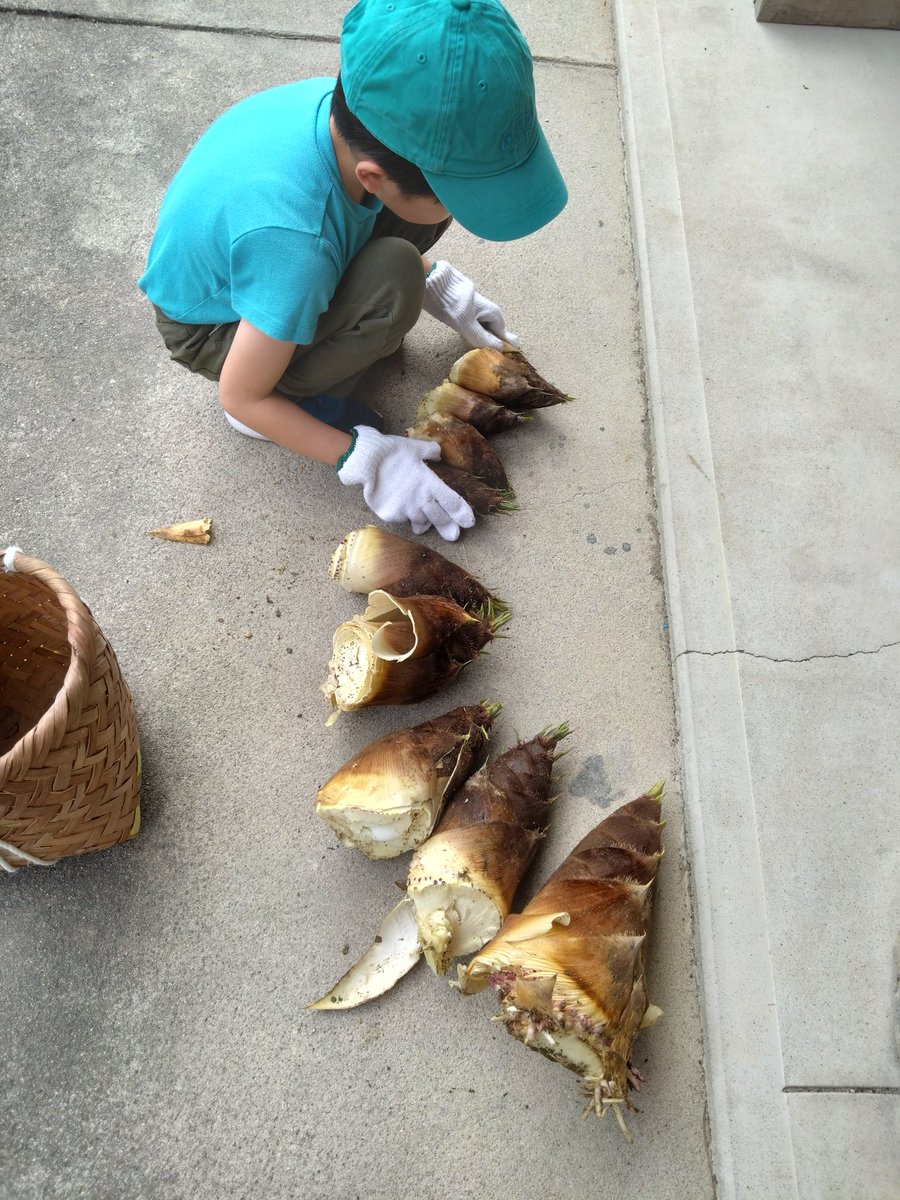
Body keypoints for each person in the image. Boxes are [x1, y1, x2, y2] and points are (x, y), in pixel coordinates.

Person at [138, 0, 567, 541]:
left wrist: (438, 281)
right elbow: (239, 394)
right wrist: (364, 459)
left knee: (412, 245)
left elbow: (366, 218)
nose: (460, 212)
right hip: (216, 328)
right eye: (456, 197)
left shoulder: (362, 115)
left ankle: (365, 300)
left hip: (271, 265)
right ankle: (291, 400)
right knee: (394, 278)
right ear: (373, 176)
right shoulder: (295, 245)